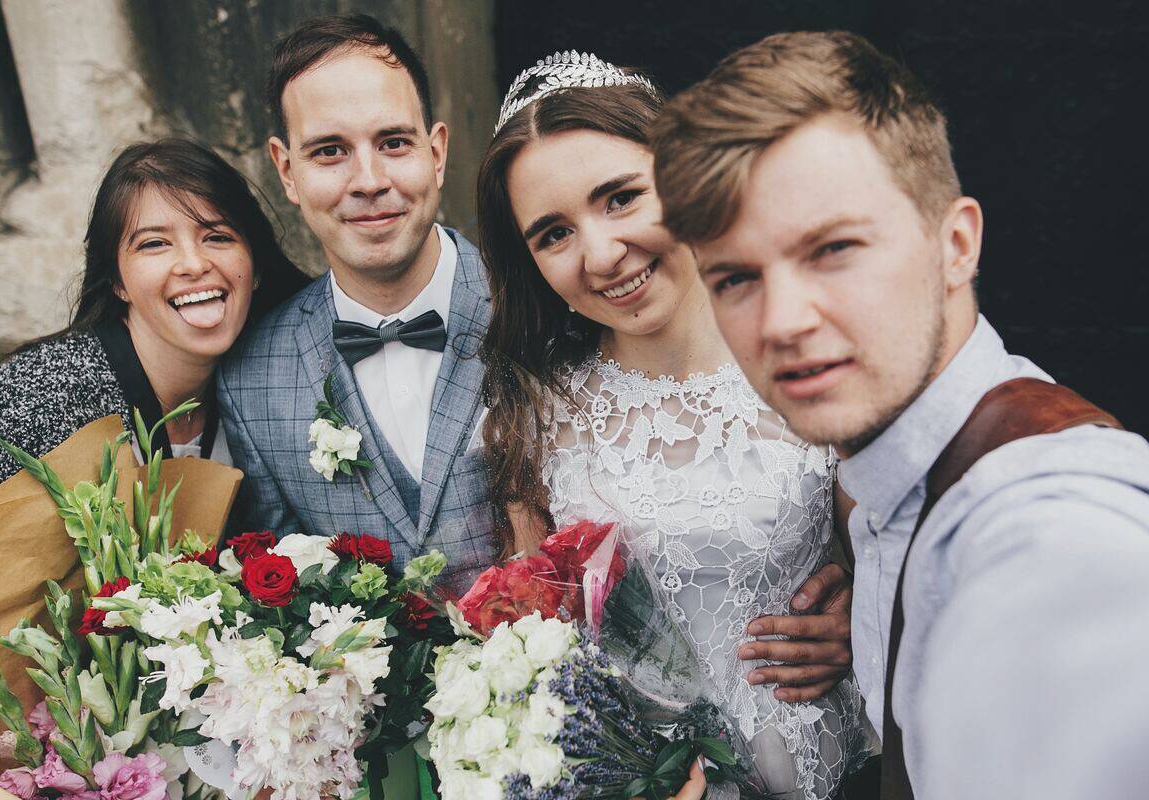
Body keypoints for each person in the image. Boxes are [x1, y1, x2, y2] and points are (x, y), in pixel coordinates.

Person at [651, 30, 1149, 800]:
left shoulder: (1046, 536)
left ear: (956, 243)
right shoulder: (885, 484)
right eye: (736, 278)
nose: (781, 320)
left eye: (833, 249)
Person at [477, 52, 870, 800]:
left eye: (620, 198)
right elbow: (534, 649)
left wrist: (864, 616)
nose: (600, 253)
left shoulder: (812, 355)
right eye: (553, 234)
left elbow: (903, 565)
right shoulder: (531, 414)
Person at [217, 13, 496, 583]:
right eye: (329, 151)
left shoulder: (539, 308)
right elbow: (284, 608)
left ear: (436, 152)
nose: (368, 180)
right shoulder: (250, 380)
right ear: (286, 170)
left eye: (393, 142)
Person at [0, 138, 307, 514]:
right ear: (118, 281)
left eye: (217, 237)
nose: (193, 263)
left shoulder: (273, 385)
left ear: (256, 268)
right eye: (154, 244)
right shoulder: (36, 399)